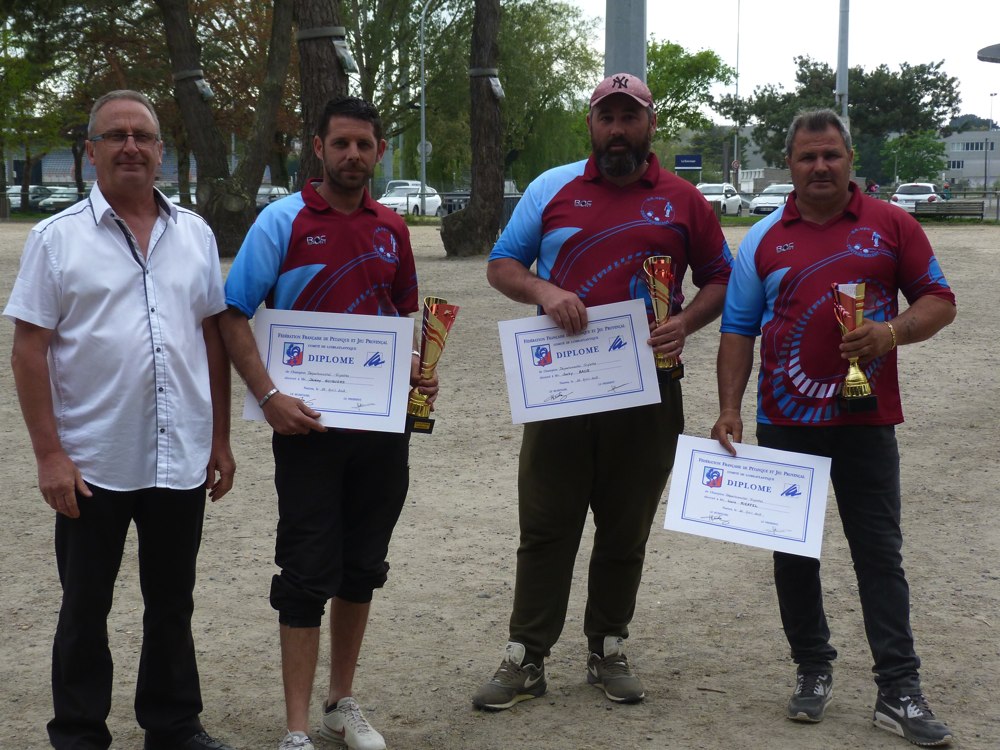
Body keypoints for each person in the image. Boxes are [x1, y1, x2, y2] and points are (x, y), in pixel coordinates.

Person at [472, 72, 733, 710]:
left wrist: (685, 322)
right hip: (563, 387)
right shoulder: (551, 189)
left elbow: (721, 279)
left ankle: (609, 645)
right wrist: (546, 291)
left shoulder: (683, 199)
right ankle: (526, 656)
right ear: (591, 124)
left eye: (630, 117)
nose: (618, 129)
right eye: (606, 117)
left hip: (649, 388)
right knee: (546, 524)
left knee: (625, 527)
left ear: (651, 124)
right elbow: (502, 264)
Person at [711, 109, 956, 747]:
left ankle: (898, 688)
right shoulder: (761, 239)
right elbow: (738, 329)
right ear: (789, 166)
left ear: (850, 160)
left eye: (831, 155)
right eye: (806, 157)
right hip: (786, 420)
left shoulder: (893, 225)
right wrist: (730, 407)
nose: (820, 167)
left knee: (879, 552)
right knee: (795, 551)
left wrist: (892, 331)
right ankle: (812, 668)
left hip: (866, 419)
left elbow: (939, 300)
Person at [4, 90, 236, 750]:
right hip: (92, 459)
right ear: (91, 151)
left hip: (179, 454)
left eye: (143, 135)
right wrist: (49, 455)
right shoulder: (56, 240)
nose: (130, 145)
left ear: (162, 152)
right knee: (85, 605)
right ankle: (79, 732)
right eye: (115, 135)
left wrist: (218, 437)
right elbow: (29, 350)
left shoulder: (194, 233)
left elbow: (211, 338)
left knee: (172, 601)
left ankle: (172, 724)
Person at [218, 96, 437, 750]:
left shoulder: (392, 229)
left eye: (364, 145)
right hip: (307, 430)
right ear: (318, 147)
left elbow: (403, 323)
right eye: (340, 143)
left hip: (380, 430)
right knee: (306, 572)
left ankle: (341, 703)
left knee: (363, 566)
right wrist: (269, 394)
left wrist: (418, 376)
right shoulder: (281, 222)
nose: (352, 156)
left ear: (378, 152)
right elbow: (232, 313)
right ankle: (294, 730)